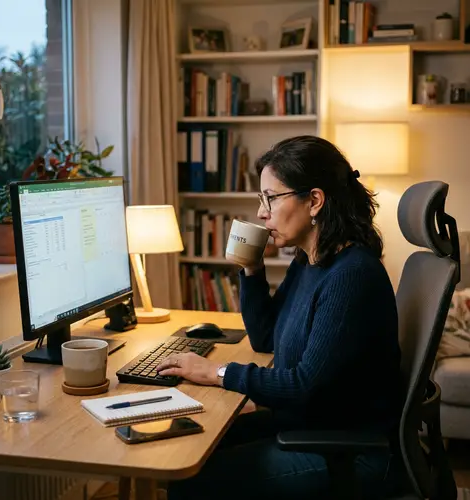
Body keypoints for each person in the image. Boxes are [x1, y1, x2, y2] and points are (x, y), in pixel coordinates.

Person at [157, 135, 405, 500]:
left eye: (270, 198)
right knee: (187, 445)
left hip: (353, 452)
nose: (261, 212)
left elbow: (304, 385)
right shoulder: (309, 261)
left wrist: (216, 372)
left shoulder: (351, 275)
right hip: (313, 426)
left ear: (315, 201)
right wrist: (252, 268)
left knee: (191, 479)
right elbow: (266, 339)